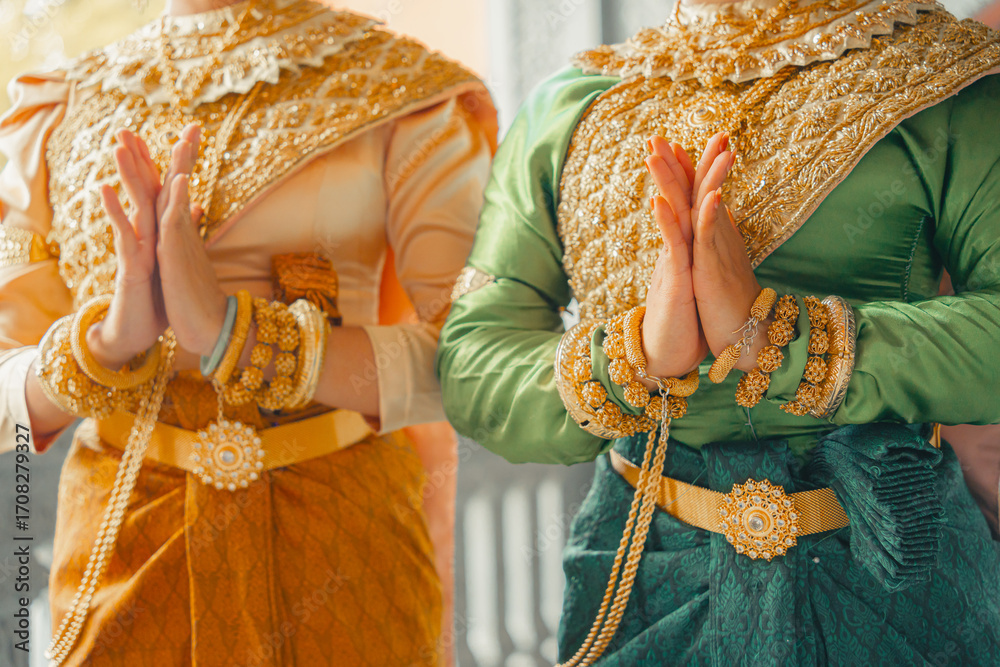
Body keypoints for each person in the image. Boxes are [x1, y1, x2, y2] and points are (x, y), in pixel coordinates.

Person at [437, 0, 1000, 663]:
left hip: (890, 570)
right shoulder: (569, 106)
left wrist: (781, 338)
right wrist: (637, 352)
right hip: (639, 579)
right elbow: (471, 360)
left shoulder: (950, 84)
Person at [0, 0, 496, 664]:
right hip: (123, 551)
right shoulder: (58, 107)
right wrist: (107, 343)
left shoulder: (400, 91)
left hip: (340, 548)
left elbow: (477, 360)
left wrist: (244, 336)